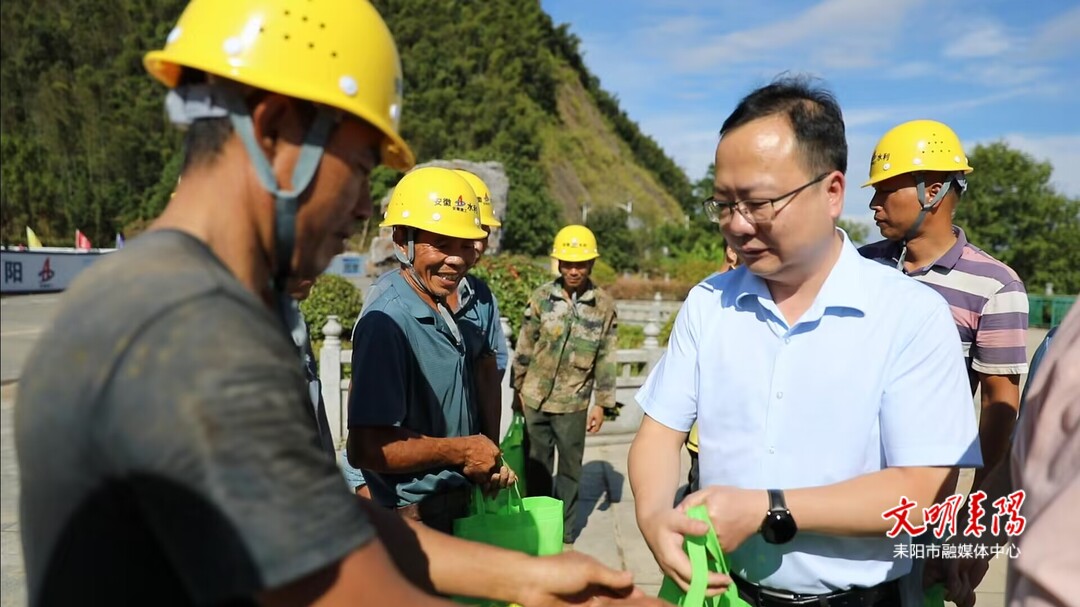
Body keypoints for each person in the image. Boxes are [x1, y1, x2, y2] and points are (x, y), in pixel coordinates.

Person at [14, 1, 659, 604]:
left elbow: (327, 519)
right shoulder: (188, 330)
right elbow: (338, 588)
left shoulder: (179, 297)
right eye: (357, 167)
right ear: (273, 132)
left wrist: (530, 577)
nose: (360, 210)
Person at [628, 76, 981, 606]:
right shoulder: (709, 303)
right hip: (727, 591)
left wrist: (770, 509)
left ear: (832, 192)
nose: (737, 225)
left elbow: (923, 488)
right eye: (724, 204)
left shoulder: (909, 316)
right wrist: (654, 516)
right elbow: (659, 433)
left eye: (760, 203)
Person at [859, 119, 1029, 487]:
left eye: (885, 191)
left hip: (923, 498)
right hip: (839, 483)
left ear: (932, 192)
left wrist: (979, 505)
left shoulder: (996, 285)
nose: (873, 204)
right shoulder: (859, 267)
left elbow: (997, 405)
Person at [346, 166, 515, 534]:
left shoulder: (436, 303)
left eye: (466, 245)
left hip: (450, 504)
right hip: (414, 518)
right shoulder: (388, 321)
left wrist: (483, 457)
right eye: (441, 244)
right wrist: (464, 451)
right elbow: (367, 447)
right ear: (402, 239)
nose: (457, 259)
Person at [512, 224, 618, 548]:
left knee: (570, 472)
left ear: (591, 265)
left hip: (573, 402)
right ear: (558, 264)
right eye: (568, 263)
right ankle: (538, 526)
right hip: (535, 398)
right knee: (537, 468)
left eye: (581, 264)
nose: (574, 270)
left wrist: (602, 403)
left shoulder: (603, 305)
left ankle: (564, 532)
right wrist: (517, 388)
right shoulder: (542, 298)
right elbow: (525, 344)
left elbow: (607, 356)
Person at [452, 169, 509, 443]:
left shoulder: (482, 296)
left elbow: (494, 365)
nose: (476, 243)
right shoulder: (393, 296)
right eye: (466, 229)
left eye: (482, 231)